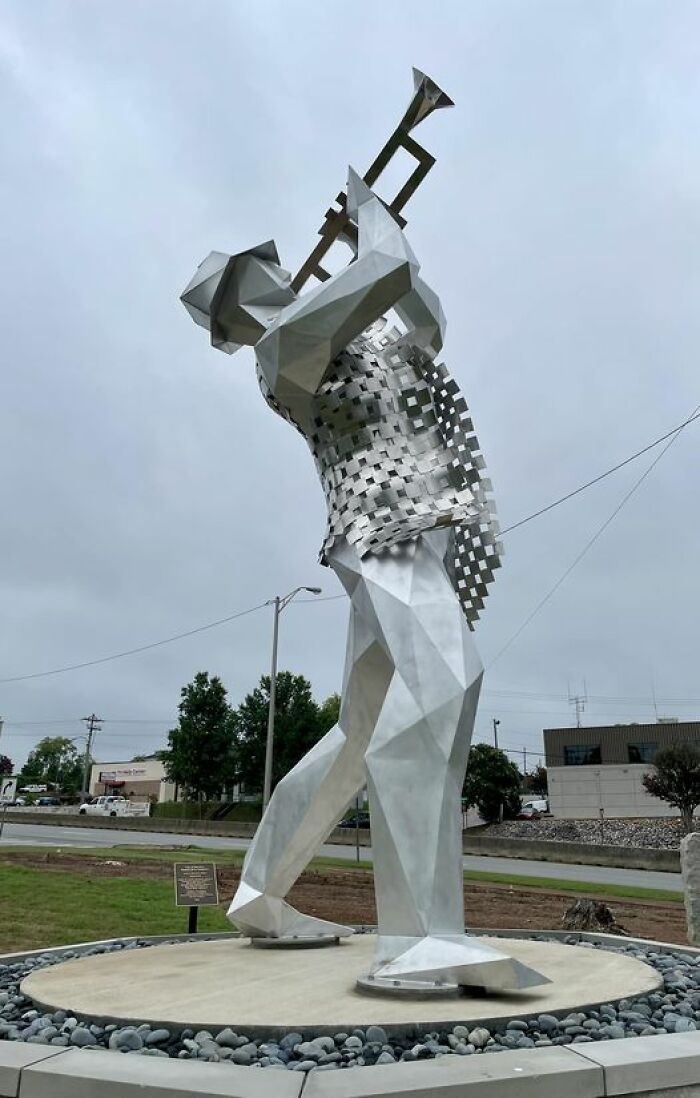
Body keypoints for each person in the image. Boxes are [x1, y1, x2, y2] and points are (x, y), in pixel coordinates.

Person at [181, 170, 544, 990]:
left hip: (405, 531)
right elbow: (385, 268)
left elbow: (425, 315)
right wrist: (371, 218)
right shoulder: (284, 349)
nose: (275, 270)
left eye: (267, 263)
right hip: (381, 536)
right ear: (239, 311)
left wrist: (365, 240)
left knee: (358, 733)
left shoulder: (355, 337)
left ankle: (260, 894)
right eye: (254, 272)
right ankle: (418, 940)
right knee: (445, 686)